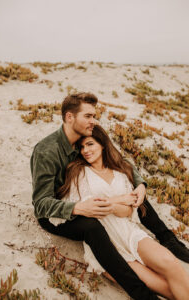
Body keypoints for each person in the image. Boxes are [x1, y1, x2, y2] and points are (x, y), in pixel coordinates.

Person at [30, 92, 189, 300]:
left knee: (138, 198)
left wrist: (140, 184)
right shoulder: (47, 151)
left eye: (94, 116)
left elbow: (115, 159)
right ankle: (141, 293)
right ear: (70, 117)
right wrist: (78, 208)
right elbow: (41, 204)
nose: (93, 121)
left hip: (102, 211)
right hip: (56, 212)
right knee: (92, 227)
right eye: (88, 116)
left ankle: (168, 240)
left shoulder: (83, 138)